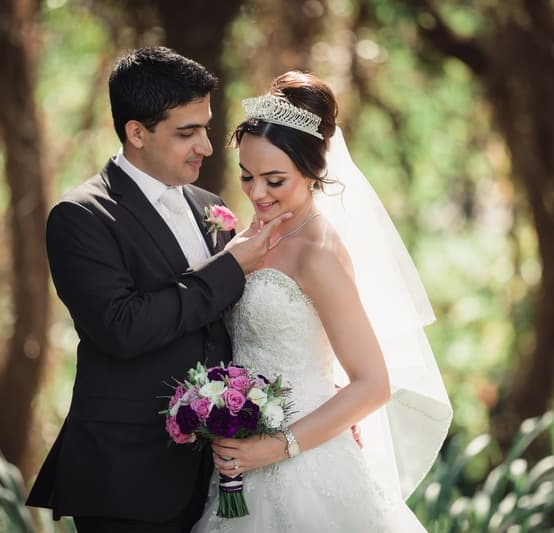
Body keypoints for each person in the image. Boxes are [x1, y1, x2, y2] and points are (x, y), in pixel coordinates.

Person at [25, 47, 291, 533]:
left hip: (218, 474)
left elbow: (239, 324)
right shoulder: (82, 216)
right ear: (136, 132)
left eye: (206, 128)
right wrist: (228, 269)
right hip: (125, 477)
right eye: (186, 133)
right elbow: (122, 328)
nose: (206, 147)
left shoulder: (210, 206)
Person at [191, 72, 453, 532]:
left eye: (275, 180)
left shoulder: (319, 252)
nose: (257, 194)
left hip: (302, 465)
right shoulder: (247, 235)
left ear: (313, 172)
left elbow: (372, 383)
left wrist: (275, 448)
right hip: (237, 461)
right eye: (248, 177)